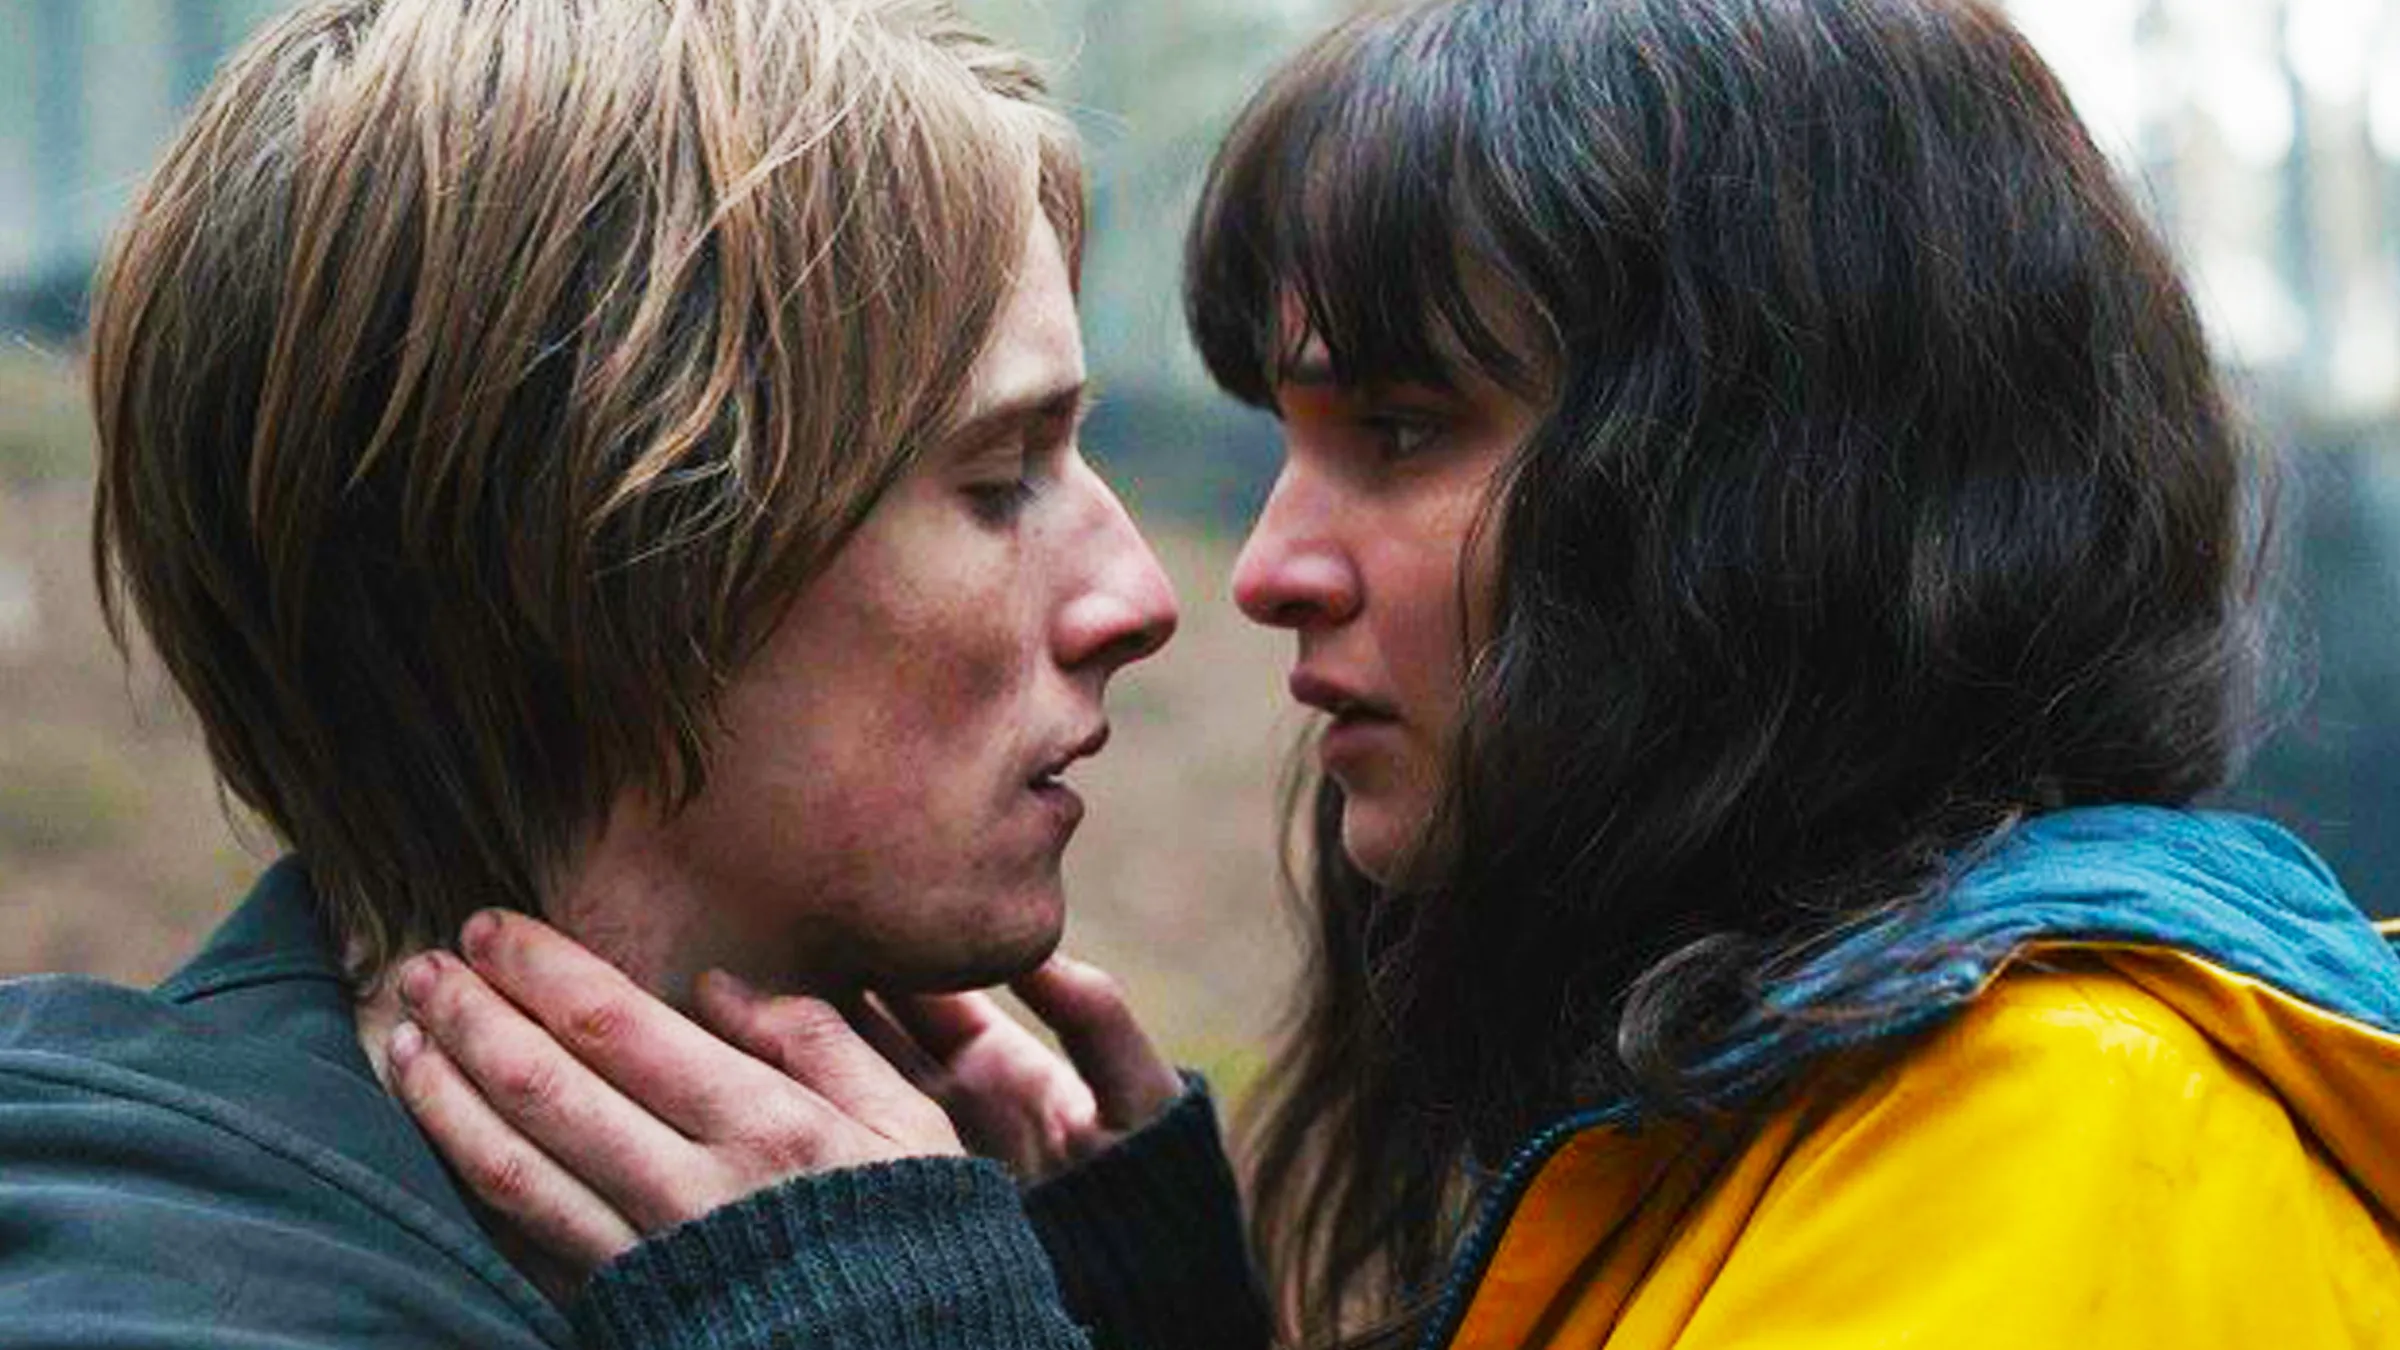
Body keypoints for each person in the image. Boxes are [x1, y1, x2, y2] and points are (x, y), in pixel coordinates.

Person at [390, 0, 2400, 1346]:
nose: (1262, 569)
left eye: (1408, 431)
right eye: (1284, 436)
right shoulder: (1789, 1112)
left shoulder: (2065, 1149)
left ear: (1781, 495)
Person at [0, 1, 1252, 1347]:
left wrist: (1118, 1310)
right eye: (1000, 479)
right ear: (607, 559)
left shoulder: (932, 1199)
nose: (1138, 596)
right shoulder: (139, 1303)